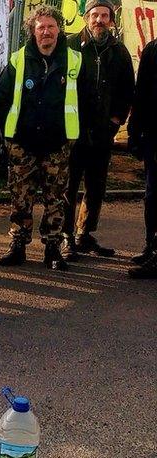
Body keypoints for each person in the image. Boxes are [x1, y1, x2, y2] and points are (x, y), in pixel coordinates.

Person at [0, 5, 82, 270]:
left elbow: (85, 99)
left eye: (51, 27)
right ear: (32, 30)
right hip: (23, 144)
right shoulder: (18, 60)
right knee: (20, 198)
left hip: (58, 144)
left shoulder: (74, 60)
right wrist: (7, 136)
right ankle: (18, 246)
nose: (46, 32)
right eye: (41, 27)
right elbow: (1, 99)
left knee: (55, 199)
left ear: (58, 30)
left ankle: (52, 249)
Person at [62, 0, 134, 260]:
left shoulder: (119, 51)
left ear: (111, 20)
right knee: (68, 186)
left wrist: (116, 120)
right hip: (72, 131)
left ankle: (85, 234)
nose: (99, 20)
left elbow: (128, 88)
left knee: (96, 186)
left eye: (104, 15)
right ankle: (66, 236)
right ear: (85, 17)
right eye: (94, 15)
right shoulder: (69, 45)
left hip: (103, 132)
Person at [128, 38, 157, 278]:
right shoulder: (153, 49)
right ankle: (152, 246)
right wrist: (134, 132)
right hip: (154, 138)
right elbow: (142, 94)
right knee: (152, 196)